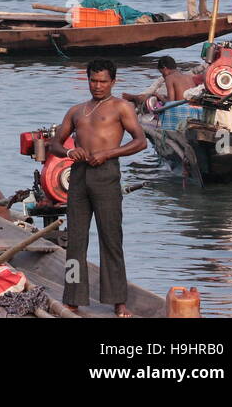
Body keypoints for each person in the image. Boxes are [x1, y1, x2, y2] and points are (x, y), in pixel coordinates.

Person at [51, 59, 146, 317]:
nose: (98, 86)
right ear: (88, 80)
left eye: (103, 81)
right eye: (93, 80)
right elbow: (55, 144)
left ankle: (118, 301)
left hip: (106, 174)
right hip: (79, 175)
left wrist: (109, 153)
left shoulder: (121, 107)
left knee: (111, 239)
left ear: (113, 81)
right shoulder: (76, 110)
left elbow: (140, 142)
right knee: (76, 241)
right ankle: (72, 298)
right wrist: (71, 151)